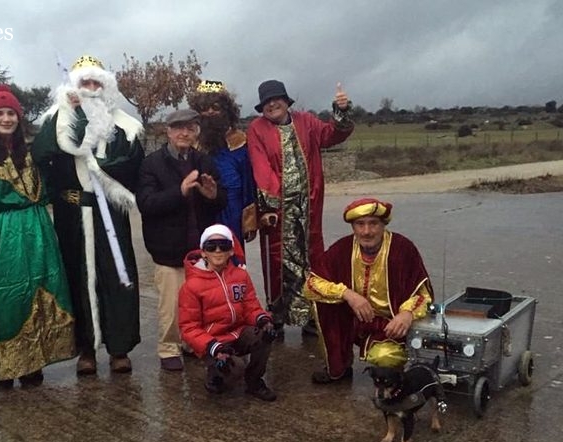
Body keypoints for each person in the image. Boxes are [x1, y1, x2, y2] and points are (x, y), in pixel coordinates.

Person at [31, 55, 145, 375]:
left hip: (110, 211)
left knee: (117, 277)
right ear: (75, 85)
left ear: (105, 87)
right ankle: (86, 349)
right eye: (85, 83)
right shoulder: (57, 118)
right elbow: (40, 155)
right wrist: (69, 118)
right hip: (72, 213)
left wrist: (101, 167)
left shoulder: (125, 124)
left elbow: (132, 162)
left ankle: (119, 347)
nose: (91, 89)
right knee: (77, 278)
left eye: (97, 83)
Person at [0, 84, 76, 390]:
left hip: (37, 231)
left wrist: (68, 107)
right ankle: (7, 365)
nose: (6, 119)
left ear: (19, 118)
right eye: (0, 113)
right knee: (5, 301)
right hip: (4, 236)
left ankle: (33, 363)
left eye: (11, 113)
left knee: (39, 296)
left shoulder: (33, 155)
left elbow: (56, 142)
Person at [247, 80, 354, 338]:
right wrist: (269, 207)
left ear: (286, 100)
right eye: (267, 102)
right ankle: (277, 316)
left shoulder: (306, 121)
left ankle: (312, 315)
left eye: (277, 99)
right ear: (262, 107)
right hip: (277, 213)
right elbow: (261, 167)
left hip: (308, 207)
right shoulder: (257, 129)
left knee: (311, 259)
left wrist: (341, 111)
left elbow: (332, 134)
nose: (273, 104)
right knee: (277, 262)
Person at [303, 198, 434, 383]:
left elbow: (422, 294)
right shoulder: (343, 248)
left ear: (383, 225)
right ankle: (339, 365)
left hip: (388, 325)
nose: (366, 231)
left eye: (373, 224)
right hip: (352, 318)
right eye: (360, 224)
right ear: (353, 227)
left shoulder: (402, 249)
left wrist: (407, 314)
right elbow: (311, 285)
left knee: (385, 358)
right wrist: (348, 294)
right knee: (323, 301)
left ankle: (392, 377)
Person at [137, 109, 227, 371]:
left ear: (197, 131)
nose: (184, 133)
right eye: (178, 128)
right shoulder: (151, 164)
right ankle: (168, 348)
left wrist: (212, 195)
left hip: (199, 249)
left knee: (200, 303)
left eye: (190, 128)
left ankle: (193, 343)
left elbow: (221, 199)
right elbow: (146, 203)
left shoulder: (204, 161)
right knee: (172, 305)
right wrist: (179, 191)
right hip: (167, 249)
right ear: (168, 131)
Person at [178, 224, 277, 401]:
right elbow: (189, 328)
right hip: (213, 341)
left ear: (231, 251)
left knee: (265, 335)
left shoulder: (240, 275)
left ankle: (254, 381)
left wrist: (263, 320)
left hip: (238, 332)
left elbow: (251, 306)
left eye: (223, 246)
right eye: (211, 246)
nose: (218, 251)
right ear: (203, 252)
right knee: (234, 369)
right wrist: (213, 347)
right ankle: (216, 376)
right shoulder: (191, 286)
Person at [187, 80, 257, 247]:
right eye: (205, 108)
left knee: (232, 257)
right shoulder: (191, 144)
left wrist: (250, 221)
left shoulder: (239, 142)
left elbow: (248, 183)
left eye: (216, 107)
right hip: (201, 211)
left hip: (232, 211)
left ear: (226, 110)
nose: (210, 112)